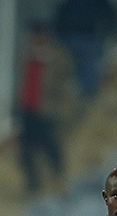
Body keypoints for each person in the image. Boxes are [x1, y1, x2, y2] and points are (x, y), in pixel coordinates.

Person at [18, 21, 70, 194]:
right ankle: (33, 186)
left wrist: (57, 107)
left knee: (50, 147)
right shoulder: (26, 58)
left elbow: (64, 85)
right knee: (26, 151)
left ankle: (60, 179)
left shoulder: (56, 59)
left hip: (46, 112)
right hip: (27, 110)